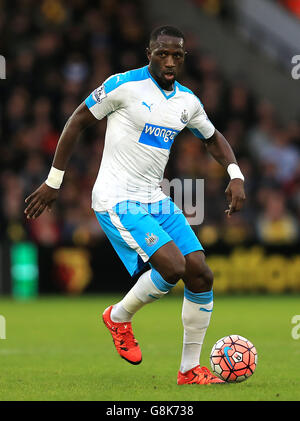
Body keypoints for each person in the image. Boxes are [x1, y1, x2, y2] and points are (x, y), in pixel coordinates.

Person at [24, 25, 246, 385]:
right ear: (149, 53)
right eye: (162, 53)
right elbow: (77, 120)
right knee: (173, 267)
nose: (170, 61)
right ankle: (118, 317)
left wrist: (235, 174)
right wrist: (53, 182)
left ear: (184, 57)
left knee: (201, 273)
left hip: (154, 197)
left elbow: (213, 138)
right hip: (116, 198)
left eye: (177, 55)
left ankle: (189, 370)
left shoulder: (187, 101)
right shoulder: (123, 86)